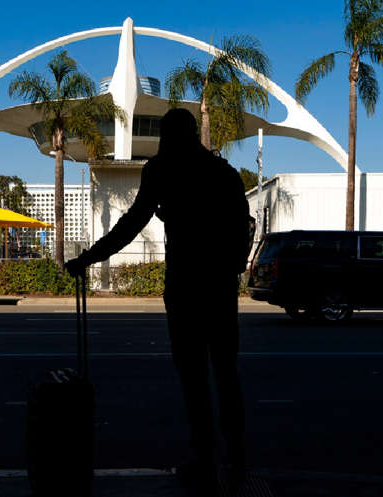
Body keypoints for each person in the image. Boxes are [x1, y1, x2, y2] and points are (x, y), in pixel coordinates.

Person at [65, 108, 251, 491]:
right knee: (226, 374)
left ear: (166, 137)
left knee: (194, 378)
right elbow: (242, 224)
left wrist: (89, 258)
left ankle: (205, 457)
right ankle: (236, 456)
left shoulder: (162, 171)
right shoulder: (223, 172)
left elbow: (131, 224)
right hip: (219, 285)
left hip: (184, 285)